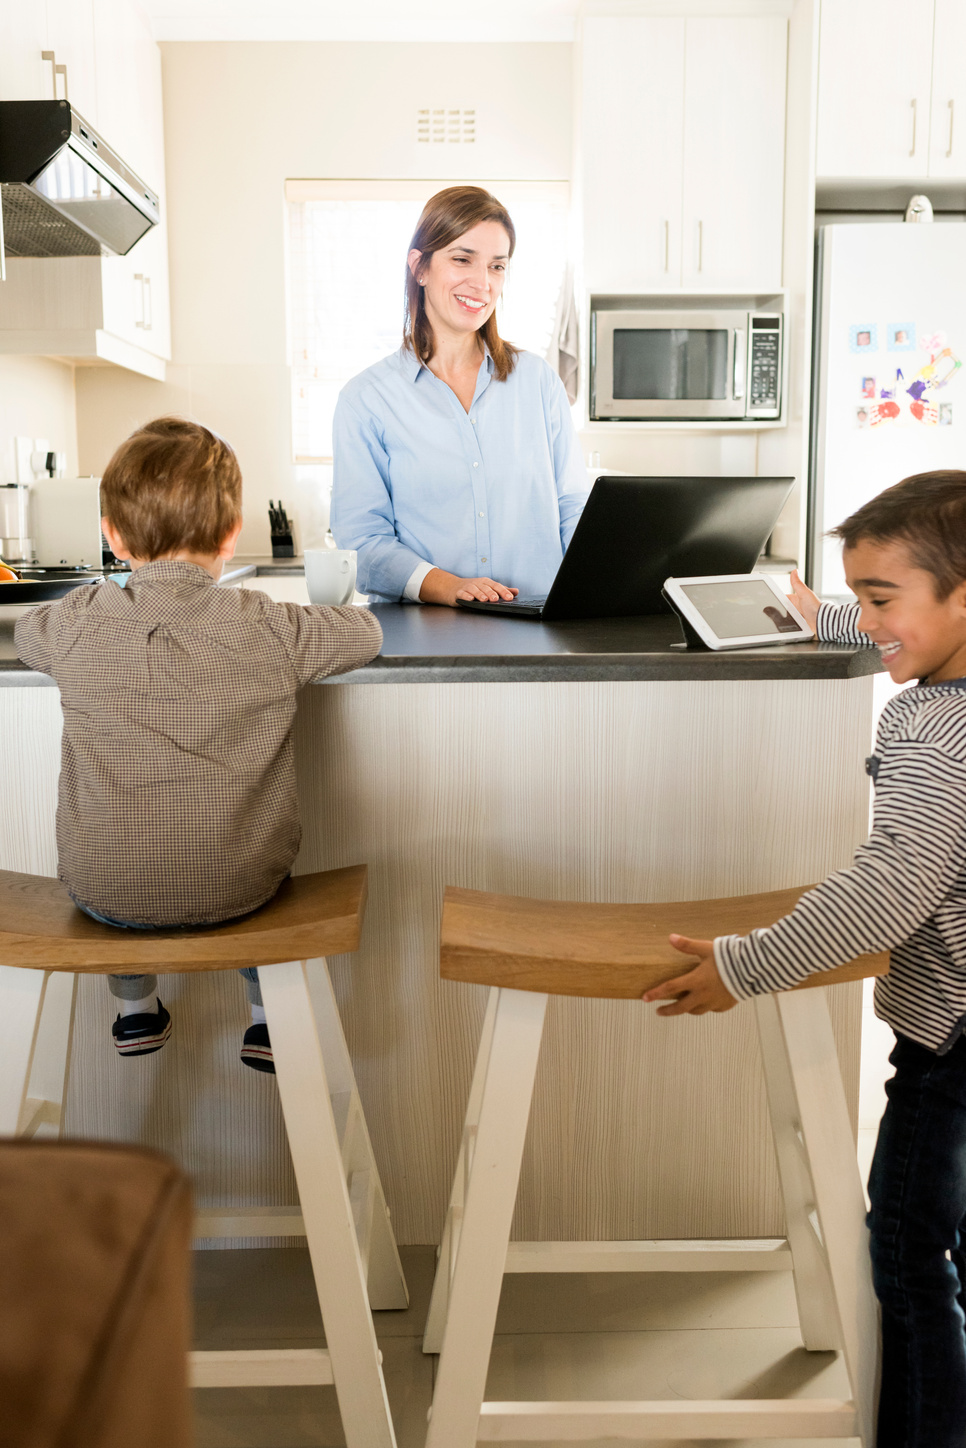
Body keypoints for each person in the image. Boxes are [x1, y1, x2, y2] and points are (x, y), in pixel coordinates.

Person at [642, 469, 966, 1448]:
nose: (869, 623)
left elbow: (890, 884)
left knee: (910, 1251)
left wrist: (748, 963)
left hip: (952, 1043)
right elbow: (895, 619)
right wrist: (824, 612)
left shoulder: (937, 730)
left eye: (879, 601)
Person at [14, 417, 382, 1070]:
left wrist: (101, 595)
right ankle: (268, 1017)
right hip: (240, 889)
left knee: (121, 852)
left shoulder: (73, 623)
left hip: (105, 891)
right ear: (232, 533)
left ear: (113, 536)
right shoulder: (268, 624)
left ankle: (134, 1010)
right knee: (252, 857)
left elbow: (25, 634)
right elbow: (366, 634)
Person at [330, 185, 590, 605]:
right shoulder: (366, 400)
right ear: (420, 267)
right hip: (424, 642)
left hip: (540, 634)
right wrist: (449, 586)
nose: (482, 283)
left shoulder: (538, 381)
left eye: (497, 266)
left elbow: (573, 506)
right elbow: (363, 542)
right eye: (462, 259)